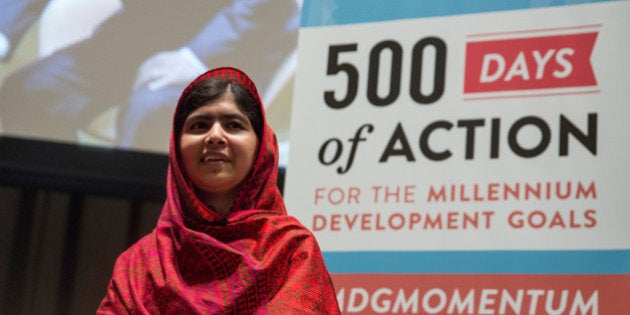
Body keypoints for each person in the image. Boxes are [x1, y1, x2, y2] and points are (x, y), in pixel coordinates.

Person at [96, 67, 341, 314]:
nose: (215, 136)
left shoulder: (291, 249)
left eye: (233, 125)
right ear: (177, 146)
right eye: (199, 125)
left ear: (261, 146)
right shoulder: (140, 263)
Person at [0, 0, 298, 152]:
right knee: (28, 93)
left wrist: (197, 57)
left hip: (232, 44)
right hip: (139, 35)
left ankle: (148, 245)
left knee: (151, 110)